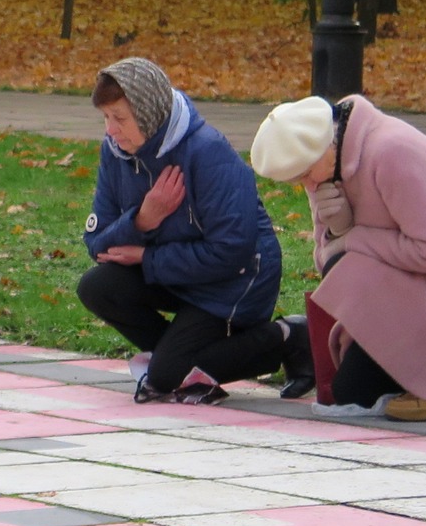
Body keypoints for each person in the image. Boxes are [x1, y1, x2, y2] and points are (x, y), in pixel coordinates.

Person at [77, 57, 305, 402]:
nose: (110, 130)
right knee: (97, 287)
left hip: (236, 281)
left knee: (166, 377)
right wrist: (142, 220)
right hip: (177, 274)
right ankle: (186, 356)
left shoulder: (208, 152)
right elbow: (97, 243)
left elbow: (232, 252)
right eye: (105, 118)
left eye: (119, 118)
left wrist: (147, 257)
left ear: (149, 113)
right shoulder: (115, 152)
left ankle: (289, 336)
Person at [252, 94, 426, 420]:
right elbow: (329, 264)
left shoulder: (394, 151)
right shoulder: (325, 165)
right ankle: (416, 377)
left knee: (348, 265)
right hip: (396, 288)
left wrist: (353, 237)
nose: (308, 184)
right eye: (297, 179)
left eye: (306, 173)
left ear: (327, 145)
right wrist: (336, 230)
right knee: (350, 394)